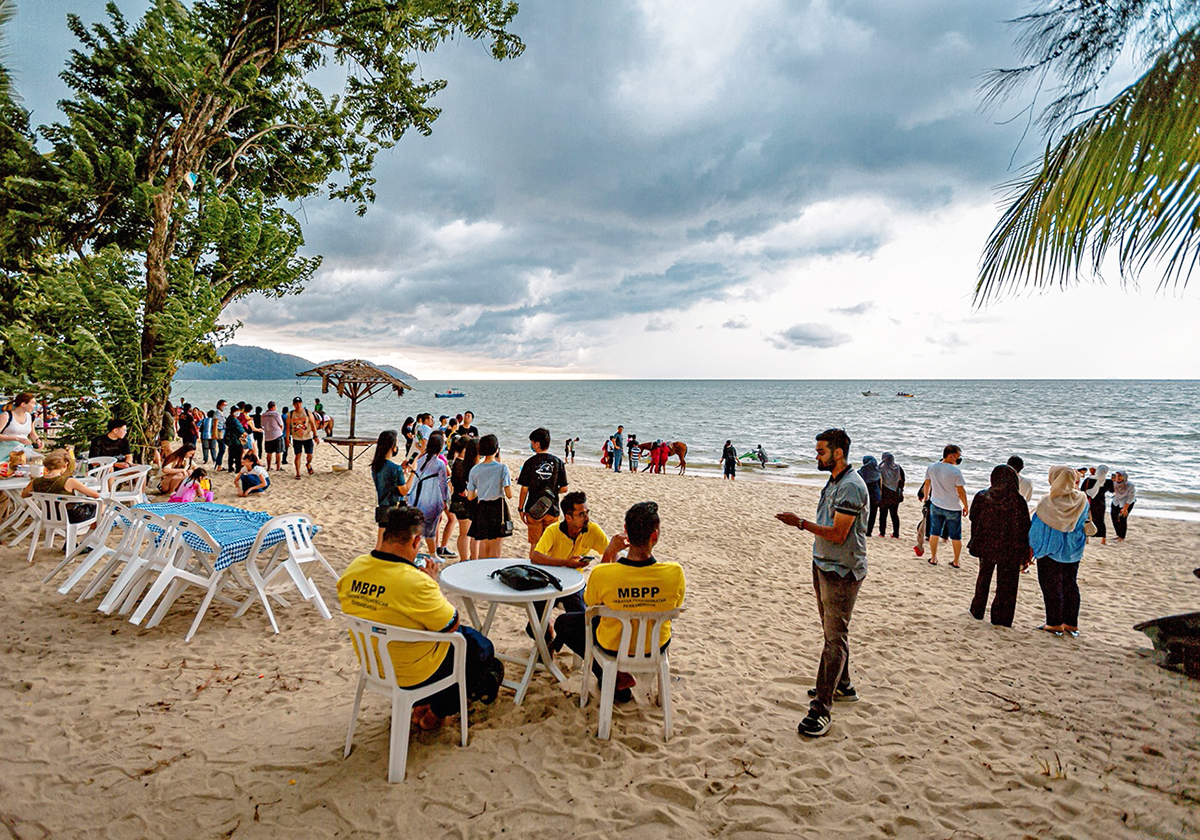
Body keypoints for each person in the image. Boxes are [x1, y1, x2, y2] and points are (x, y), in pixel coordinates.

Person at [337, 506, 503, 731]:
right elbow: (451, 625)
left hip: (373, 665)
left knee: (467, 641)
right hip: (414, 673)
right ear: (416, 542)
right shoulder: (415, 583)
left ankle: (421, 704)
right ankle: (435, 713)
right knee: (480, 648)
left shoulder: (354, 569)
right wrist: (432, 583)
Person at [776, 428, 868, 738]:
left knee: (834, 637)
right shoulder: (834, 482)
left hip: (842, 571)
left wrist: (799, 523)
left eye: (821, 451)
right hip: (823, 565)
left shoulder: (852, 487)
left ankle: (821, 709)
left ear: (838, 453)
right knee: (833, 632)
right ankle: (842, 685)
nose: (817, 456)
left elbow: (839, 534)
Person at [552, 501, 685, 704]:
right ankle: (617, 677)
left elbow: (590, 606)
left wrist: (609, 553)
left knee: (565, 623)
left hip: (613, 646)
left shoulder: (604, 573)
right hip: (654, 644)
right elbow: (675, 604)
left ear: (625, 532)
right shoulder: (675, 573)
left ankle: (611, 675)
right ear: (655, 536)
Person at [967, 465, 1032, 627]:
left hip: (986, 543)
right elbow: (1025, 527)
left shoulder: (982, 496)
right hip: (1010, 547)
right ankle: (1002, 618)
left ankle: (977, 610)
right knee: (1007, 584)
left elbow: (973, 517)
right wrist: (1025, 553)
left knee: (983, 577)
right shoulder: (1018, 501)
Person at [1030, 465, 1090, 637]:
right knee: (1070, 584)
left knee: (1051, 586)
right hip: (1073, 549)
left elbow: (1037, 527)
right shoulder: (1082, 499)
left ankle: (1054, 623)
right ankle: (1071, 623)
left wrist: (1032, 547)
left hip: (1050, 549)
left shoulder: (1047, 501)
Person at [518, 427, 569, 550]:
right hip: (552, 507)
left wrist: (521, 508)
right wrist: (551, 491)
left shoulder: (529, 462)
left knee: (535, 546)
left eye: (532, 443)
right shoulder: (558, 462)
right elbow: (564, 488)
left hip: (533, 508)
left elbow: (524, 489)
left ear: (537, 444)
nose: (531, 445)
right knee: (550, 545)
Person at [401, 431, 450, 558]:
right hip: (430, 499)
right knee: (430, 529)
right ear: (440, 447)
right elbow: (443, 484)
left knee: (415, 528)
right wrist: (446, 501)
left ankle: (412, 552)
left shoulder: (420, 458)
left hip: (415, 498)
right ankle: (433, 554)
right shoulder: (440, 463)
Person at [466, 434, 512, 559]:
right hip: (498, 507)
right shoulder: (502, 468)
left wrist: (482, 491)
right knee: (496, 549)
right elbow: (509, 494)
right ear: (497, 449)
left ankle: (482, 573)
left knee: (483, 545)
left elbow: (470, 496)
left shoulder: (475, 469)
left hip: (482, 508)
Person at [922, 445, 969, 568]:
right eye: (958, 456)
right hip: (953, 506)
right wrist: (966, 505)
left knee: (934, 533)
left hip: (936, 503)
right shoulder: (955, 472)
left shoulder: (932, 467)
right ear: (951, 455)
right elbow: (961, 491)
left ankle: (933, 558)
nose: (958, 459)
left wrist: (926, 497)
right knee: (956, 536)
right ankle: (956, 561)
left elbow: (927, 483)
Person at [22, 450, 102, 521]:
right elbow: (95, 495)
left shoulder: (35, 481)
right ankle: (92, 533)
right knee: (103, 505)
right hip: (71, 516)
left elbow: (24, 495)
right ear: (65, 464)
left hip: (49, 515)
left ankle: (92, 530)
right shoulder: (69, 481)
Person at [447, 436, 478, 561]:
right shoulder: (459, 464)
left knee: (466, 533)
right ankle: (464, 559)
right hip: (462, 503)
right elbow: (462, 489)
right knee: (465, 533)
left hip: (461, 502)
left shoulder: (460, 463)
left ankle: (468, 558)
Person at [0, 392, 43, 462]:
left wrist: (38, 440)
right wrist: (17, 439)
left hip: (23, 452)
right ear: (23, 404)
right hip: (6, 453)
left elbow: (32, 433)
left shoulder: (30, 417)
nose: (35, 406)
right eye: (32, 403)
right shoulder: (6, 416)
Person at [288, 397, 320, 479]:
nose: (298, 405)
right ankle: (298, 473)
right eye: (296, 403)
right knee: (297, 455)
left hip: (307, 437)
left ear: (301, 403)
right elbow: (288, 427)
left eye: (299, 403)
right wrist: (287, 438)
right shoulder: (291, 414)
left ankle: (308, 464)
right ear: (293, 404)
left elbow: (313, 424)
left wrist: (315, 435)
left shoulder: (307, 412)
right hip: (296, 438)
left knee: (310, 455)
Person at [1081, 464, 1113, 545]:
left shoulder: (1089, 479)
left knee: (1088, 519)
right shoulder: (1108, 482)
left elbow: (1082, 489)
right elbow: (1112, 491)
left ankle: (1087, 538)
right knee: (1100, 520)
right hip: (1100, 503)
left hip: (1089, 502)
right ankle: (1103, 540)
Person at [877, 452, 905, 538]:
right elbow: (902, 480)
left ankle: (882, 533)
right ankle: (896, 534)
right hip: (895, 494)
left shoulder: (881, 469)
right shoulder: (898, 468)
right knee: (894, 514)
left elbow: (878, 480)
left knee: (883, 514)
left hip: (885, 494)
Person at [858, 455, 882, 537]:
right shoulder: (877, 472)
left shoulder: (861, 472)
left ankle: (862, 530)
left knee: (863, 514)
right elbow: (880, 486)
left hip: (864, 496)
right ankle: (869, 532)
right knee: (873, 515)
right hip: (875, 496)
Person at [1110, 470, 1136, 541]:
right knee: (1114, 517)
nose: (1118, 478)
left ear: (1124, 477)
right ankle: (1118, 534)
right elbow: (1110, 490)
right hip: (1116, 501)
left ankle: (1122, 536)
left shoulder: (1130, 485)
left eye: (1120, 476)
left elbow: (1131, 497)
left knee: (1122, 518)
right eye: (1117, 476)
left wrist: (1125, 508)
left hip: (1127, 502)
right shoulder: (1113, 483)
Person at [260, 402, 284, 471]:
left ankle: (269, 467)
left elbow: (262, 424)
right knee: (278, 452)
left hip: (268, 435)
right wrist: (281, 431)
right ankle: (278, 467)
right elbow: (281, 424)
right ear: (273, 406)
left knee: (269, 452)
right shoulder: (276, 414)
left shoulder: (263, 415)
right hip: (277, 434)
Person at [223, 405, 246, 474]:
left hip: (230, 439)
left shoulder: (228, 418)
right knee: (238, 455)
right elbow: (241, 430)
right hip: (236, 440)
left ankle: (230, 468)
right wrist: (244, 434)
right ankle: (238, 469)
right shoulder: (235, 420)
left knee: (231, 455)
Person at [212, 400, 228, 470]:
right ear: (219, 405)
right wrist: (214, 434)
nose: (224, 407)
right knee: (222, 448)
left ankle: (218, 464)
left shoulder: (221, 413)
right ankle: (219, 465)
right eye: (223, 405)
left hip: (222, 431)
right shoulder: (217, 413)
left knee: (222, 448)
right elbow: (215, 423)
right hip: (219, 432)